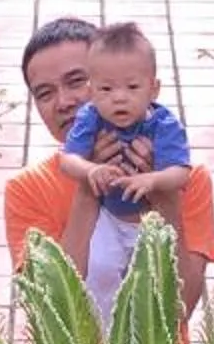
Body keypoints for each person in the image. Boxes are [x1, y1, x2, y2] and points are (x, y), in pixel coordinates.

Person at [3, 18, 214, 331]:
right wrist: (89, 189)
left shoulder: (187, 177)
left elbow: (180, 309)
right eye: (45, 93)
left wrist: (163, 196)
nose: (64, 102)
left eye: (77, 81)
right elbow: (52, 313)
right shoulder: (27, 189)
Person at [53, 22, 194, 298]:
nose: (119, 98)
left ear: (153, 89)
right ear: (92, 92)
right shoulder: (90, 117)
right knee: (100, 269)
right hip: (109, 218)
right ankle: (104, 333)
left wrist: (152, 179)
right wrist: (90, 170)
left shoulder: (163, 124)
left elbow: (181, 172)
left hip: (148, 220)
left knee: (153, 279)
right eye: (106, 89)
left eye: (132, 87)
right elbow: (67, 160)